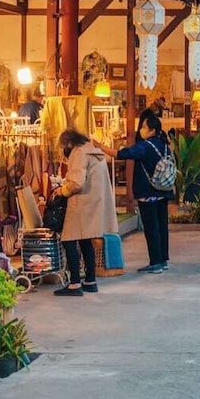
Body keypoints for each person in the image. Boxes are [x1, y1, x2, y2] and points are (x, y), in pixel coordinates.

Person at [97, 115, 173, 274]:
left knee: (151, 228)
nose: (141, 130)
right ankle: (163, 259)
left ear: (152, 130)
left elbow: (122, 154)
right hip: (163, 191)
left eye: (144, 127)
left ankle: (155, 262)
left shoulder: (145, 146)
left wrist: (100, 147)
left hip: (148, 193)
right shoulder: (165, 145)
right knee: (161, 227)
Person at [52, 130, 118, 296]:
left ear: (68, 143)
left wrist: (62, 191)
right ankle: (90, 281)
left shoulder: (79, 152)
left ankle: (74, 284)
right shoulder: (93, 150)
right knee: (85, 240)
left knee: (68, 239)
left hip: (81, 203)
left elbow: (76, 182)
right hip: (93, 203)